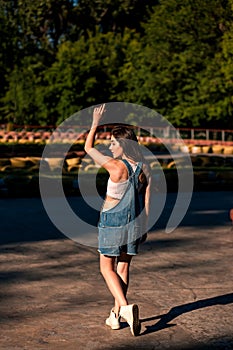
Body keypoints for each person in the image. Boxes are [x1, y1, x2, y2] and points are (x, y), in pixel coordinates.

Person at [84, 104, 151, 336]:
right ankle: (115, 317)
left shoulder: (114, 166)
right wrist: (145, 226)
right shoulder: (145, 168)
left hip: (112, 220)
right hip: (135, 221)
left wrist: (95, 123)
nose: (110, 147)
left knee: (106, 267)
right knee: (123, 266)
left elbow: (88, 147)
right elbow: (147, 201)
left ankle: (124, 307)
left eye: (113, 143)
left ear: (123, 145)